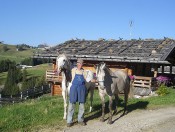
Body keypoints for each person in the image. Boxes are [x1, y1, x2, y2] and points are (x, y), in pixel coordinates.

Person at [67, 58, 87, 127]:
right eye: (79, 63)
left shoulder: (84, 72)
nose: (80, 65)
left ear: (82, 64)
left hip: (82, 89)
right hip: (74, 89)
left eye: (81, 63)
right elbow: (66, 68)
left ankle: (80, 120)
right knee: (71, 105)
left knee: (82, 106)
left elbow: (87, 80)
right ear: (77, 63)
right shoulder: (73, 70)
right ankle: (69, 121)